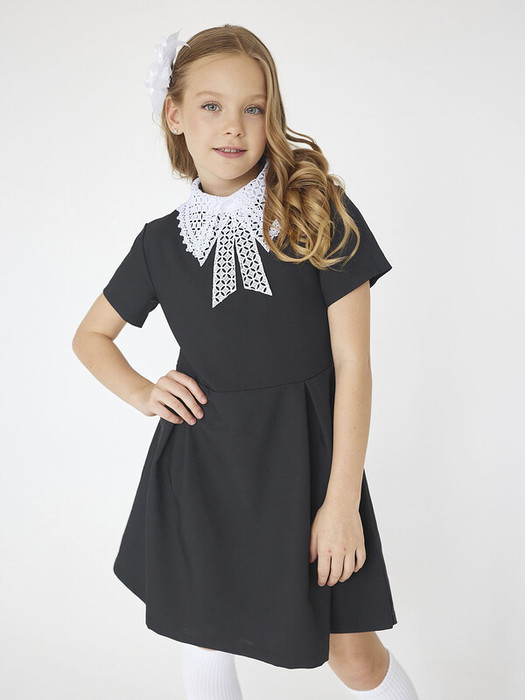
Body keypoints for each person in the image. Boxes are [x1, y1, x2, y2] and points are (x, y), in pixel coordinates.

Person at [72, 24, 419, 700]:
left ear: (271, 115)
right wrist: (143, 392)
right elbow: (91, 336)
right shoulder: (159, 244)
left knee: (353, 657)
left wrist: (341, 500)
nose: (233, 125)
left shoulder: (317, 210)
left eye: (252, 108)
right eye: (211, 105)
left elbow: (353, 363)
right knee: (203, 644)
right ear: (174, 114)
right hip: (200, 474)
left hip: (307, 469)